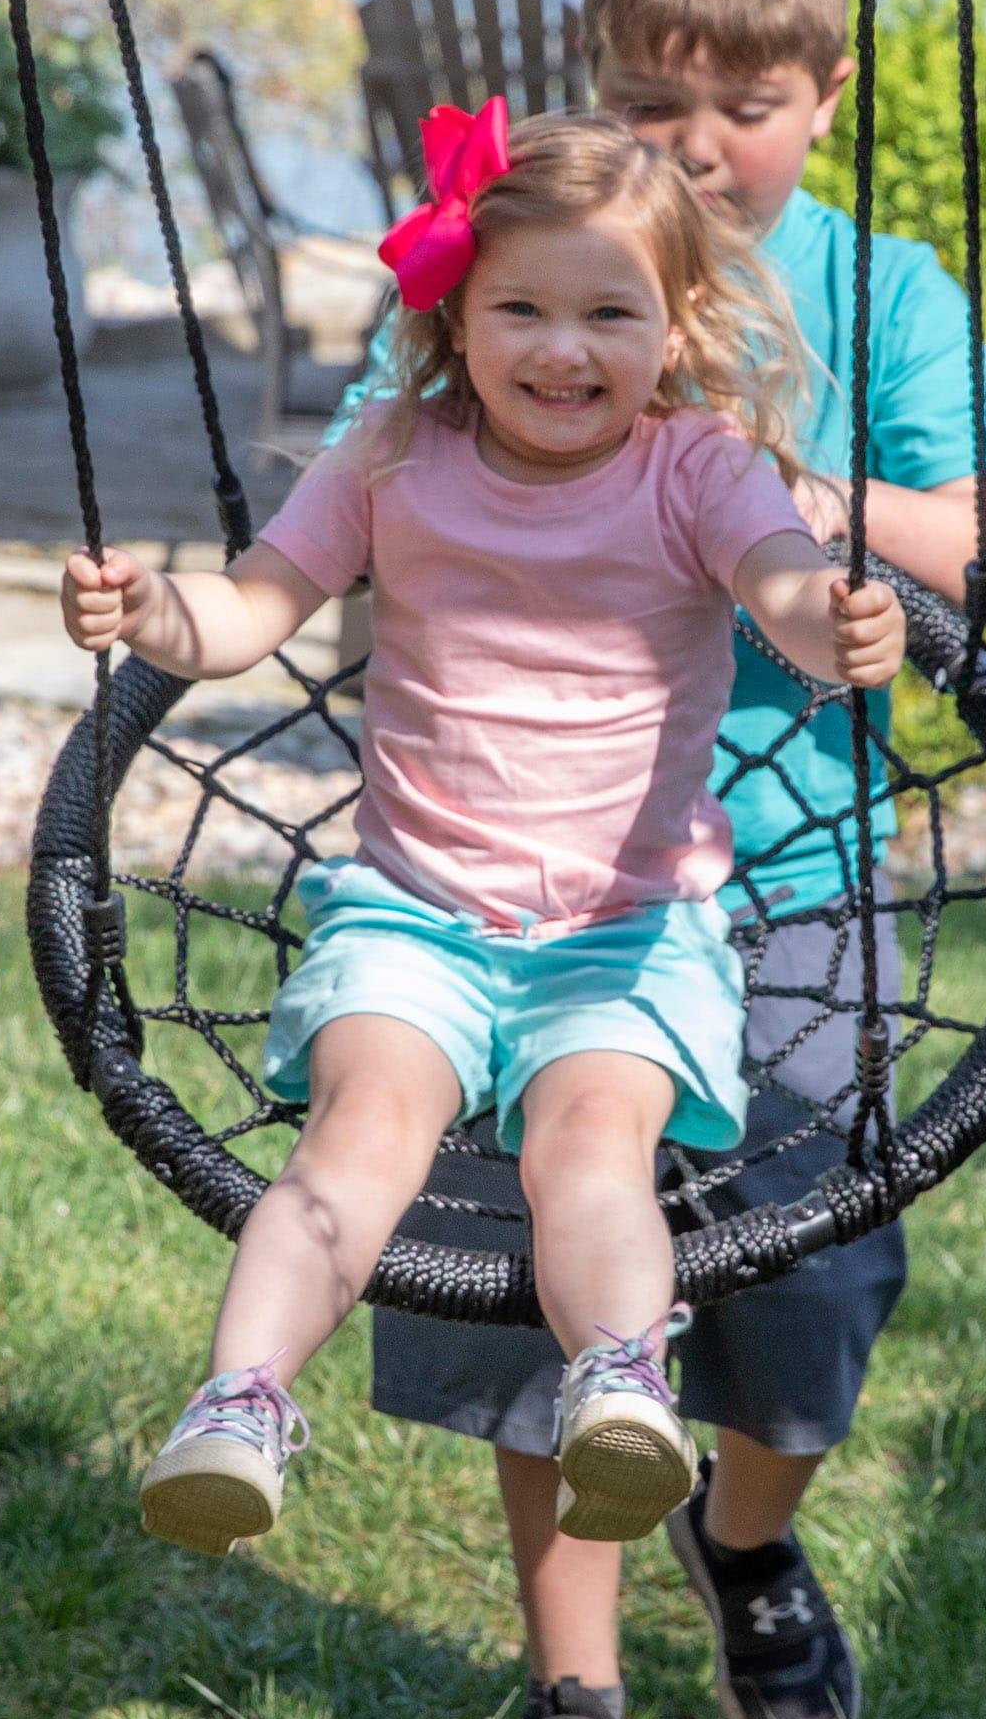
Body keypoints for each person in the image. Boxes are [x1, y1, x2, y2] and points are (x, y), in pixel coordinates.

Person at [338, 0, 986, 1719]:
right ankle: (570, 1685)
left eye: (743, 102)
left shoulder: (878, 291)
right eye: (655, 104)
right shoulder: (531, 265)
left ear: (821, 89)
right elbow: (368, 467)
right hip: (511, 886)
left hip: (791, 871)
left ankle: (744, 1544)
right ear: (599, 86)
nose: (701, 145)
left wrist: (780, 492)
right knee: (522, 1281)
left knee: (810, 1277)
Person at [60, 103, 905, 1570]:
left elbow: (782, 594)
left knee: (594, 1147)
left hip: (629, 927)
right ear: (454, 312)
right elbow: (249, 612)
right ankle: (239, 1406)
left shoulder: (702, 470)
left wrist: (836, 623)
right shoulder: (392, 457)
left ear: (677, 319)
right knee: (358, 1142)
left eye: (605, 312)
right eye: (519, 307)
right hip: (414, 918)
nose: (560, 349)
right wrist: (148, 613)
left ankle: (621, 1387)